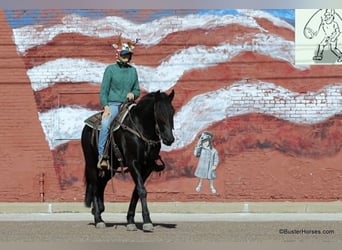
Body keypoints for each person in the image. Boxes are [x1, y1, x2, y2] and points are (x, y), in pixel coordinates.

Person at [97, 40, 140, 169]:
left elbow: (137, 89)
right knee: (105, 124)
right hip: (114, 105)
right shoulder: (110, 70)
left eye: (128, 55)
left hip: (129, 105)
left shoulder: (133, 71)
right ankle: (102, 156)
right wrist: (106, 107)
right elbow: (104, 91)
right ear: (118, 54)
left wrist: (133, 94)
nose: (126, 57)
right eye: (124, 55)